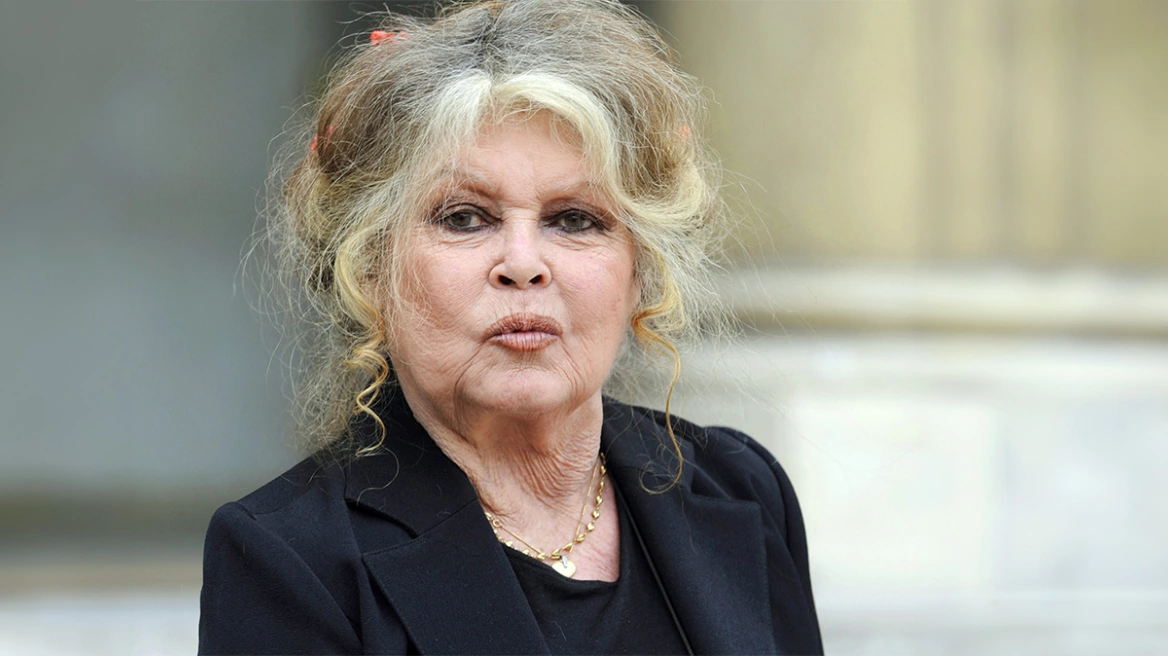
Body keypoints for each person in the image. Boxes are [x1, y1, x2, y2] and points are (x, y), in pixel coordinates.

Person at [198, 0, 822, 653]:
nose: (523, 264)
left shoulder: (742, 488)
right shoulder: (289, 557)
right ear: (371, 268)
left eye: (575, 219)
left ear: (641, 267)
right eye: (465, 217)